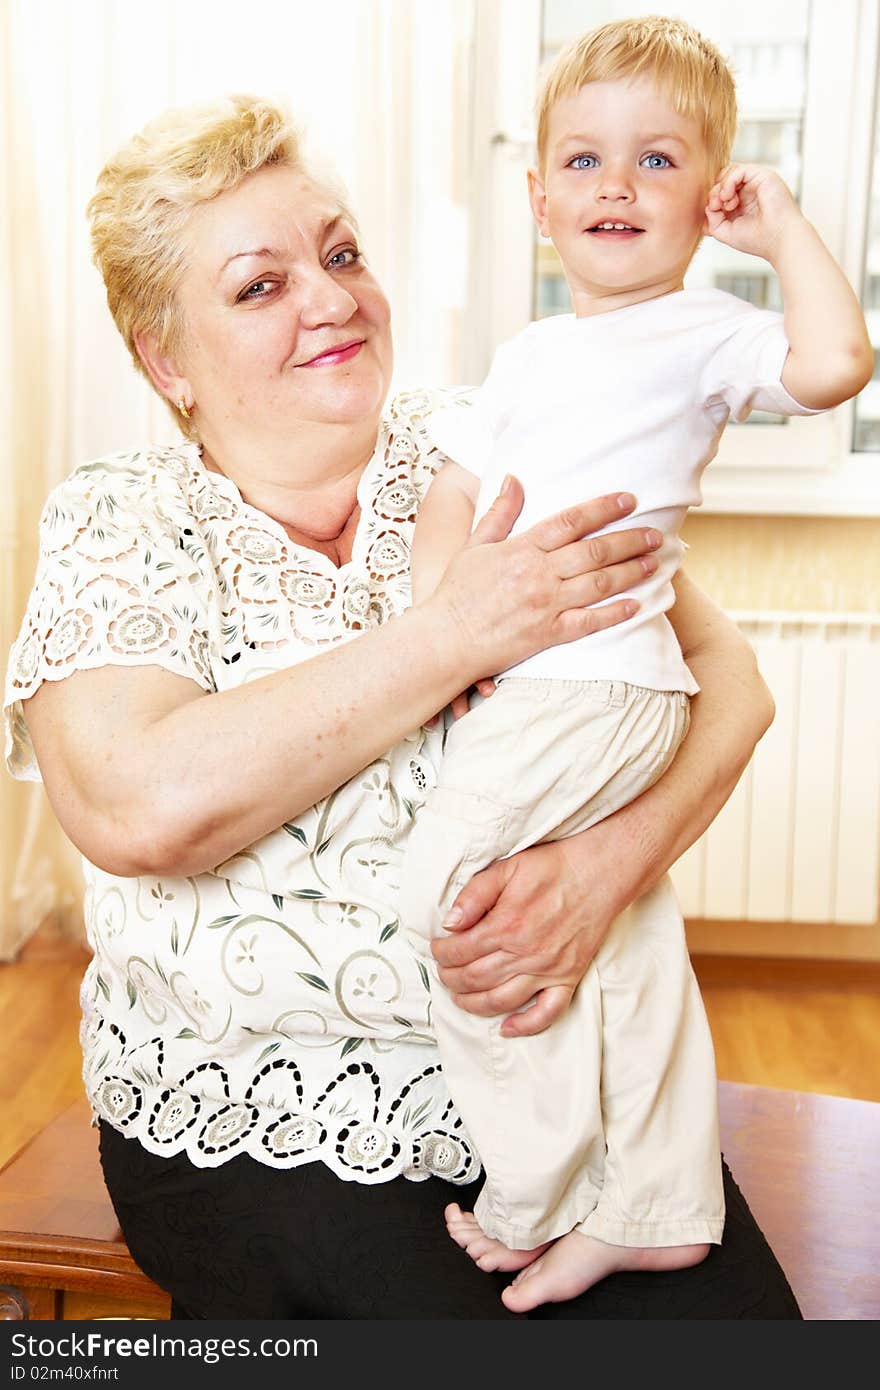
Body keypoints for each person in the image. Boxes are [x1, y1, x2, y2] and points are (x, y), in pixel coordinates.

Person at [4, 93, 803, 1320]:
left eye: (339, 254)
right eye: (260, 287)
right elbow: (135, 807)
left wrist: (602, 873)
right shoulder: (123, 517)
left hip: (570, 1100)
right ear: (167, 357)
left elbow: (731, 686)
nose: (330, 299)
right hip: (272, 1124)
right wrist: (453, 635)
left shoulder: (489, 439)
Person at [399, 14, 872, 1314]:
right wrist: (447, 637)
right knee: (621, 935)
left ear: (709, 194)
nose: (619, 185)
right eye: (588, 160)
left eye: (660, 162)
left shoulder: (705, 329)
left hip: (601, 680)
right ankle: (658, 1203)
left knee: (448, 888)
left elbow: (836, 363)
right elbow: (457, 490)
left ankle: (537, 1183)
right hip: (545, 677)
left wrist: (779, 234)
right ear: (540, 195)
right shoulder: (531, 354)